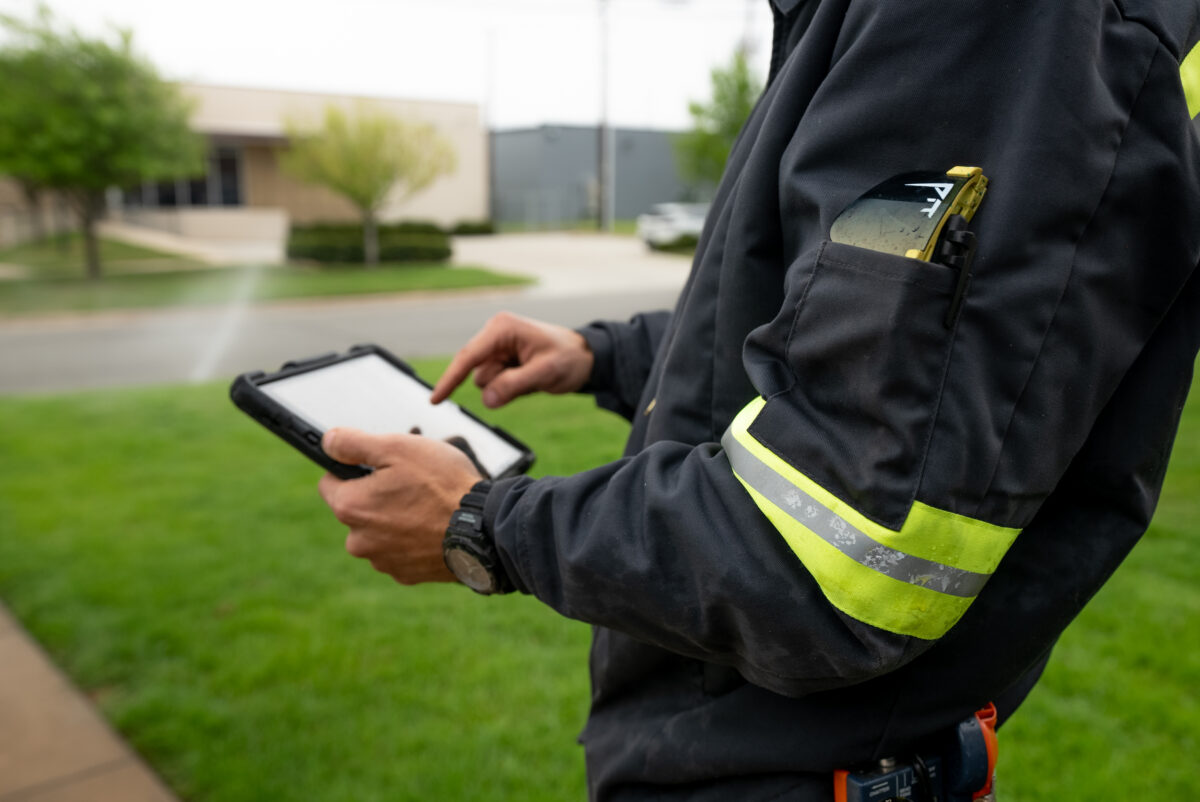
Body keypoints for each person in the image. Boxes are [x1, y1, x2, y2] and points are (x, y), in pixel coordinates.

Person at [317, 1, 1200, 799]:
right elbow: (852, 342)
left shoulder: (988, 25)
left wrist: (480, 526)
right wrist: (602, 356)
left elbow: (834, 549)